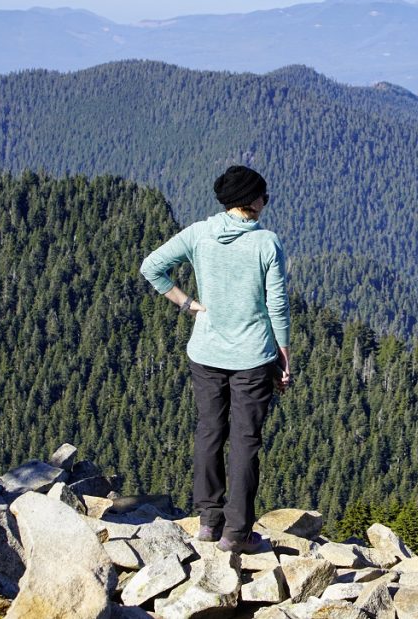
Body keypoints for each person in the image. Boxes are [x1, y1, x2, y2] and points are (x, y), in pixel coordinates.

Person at [140, 165, 291, 553]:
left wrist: (188, 305)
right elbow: (277, 306)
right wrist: (284, 357)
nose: (266, 200)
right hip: (253, 357)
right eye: (264, 194)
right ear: (252, 200)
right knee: (245, 441)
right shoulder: (266, 243)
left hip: (205, 352)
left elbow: (152, 268)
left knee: (209, 431)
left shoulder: (199, 233)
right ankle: (237, 533)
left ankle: (208, 522)